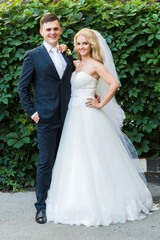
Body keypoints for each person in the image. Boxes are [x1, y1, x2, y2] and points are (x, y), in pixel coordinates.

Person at [46, 28, 158, 227]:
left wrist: (100, 103)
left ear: (92, 45)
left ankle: (102, 201)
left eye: (85, 43)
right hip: (74, 115)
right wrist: (62, 48)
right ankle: (75, 200)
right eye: (78, 43)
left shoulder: (96, 65)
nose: (81, 47)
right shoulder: (75, 64)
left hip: (90, 115)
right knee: (75, 156)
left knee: (95, 156)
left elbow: (114, 83)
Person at [18, 13, 75, 224]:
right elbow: (22, 88)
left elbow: (72, 79)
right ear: (41, 31)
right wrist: (33, 113)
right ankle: (41, 206)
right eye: (48, 29)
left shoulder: (66, 54)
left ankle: (63, 201)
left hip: (70, 117)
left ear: (60, 31)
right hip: (46, 119)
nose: (52, 32)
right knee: (45, 162)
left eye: (56, 29)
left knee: (67, 161)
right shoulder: (33, 55)